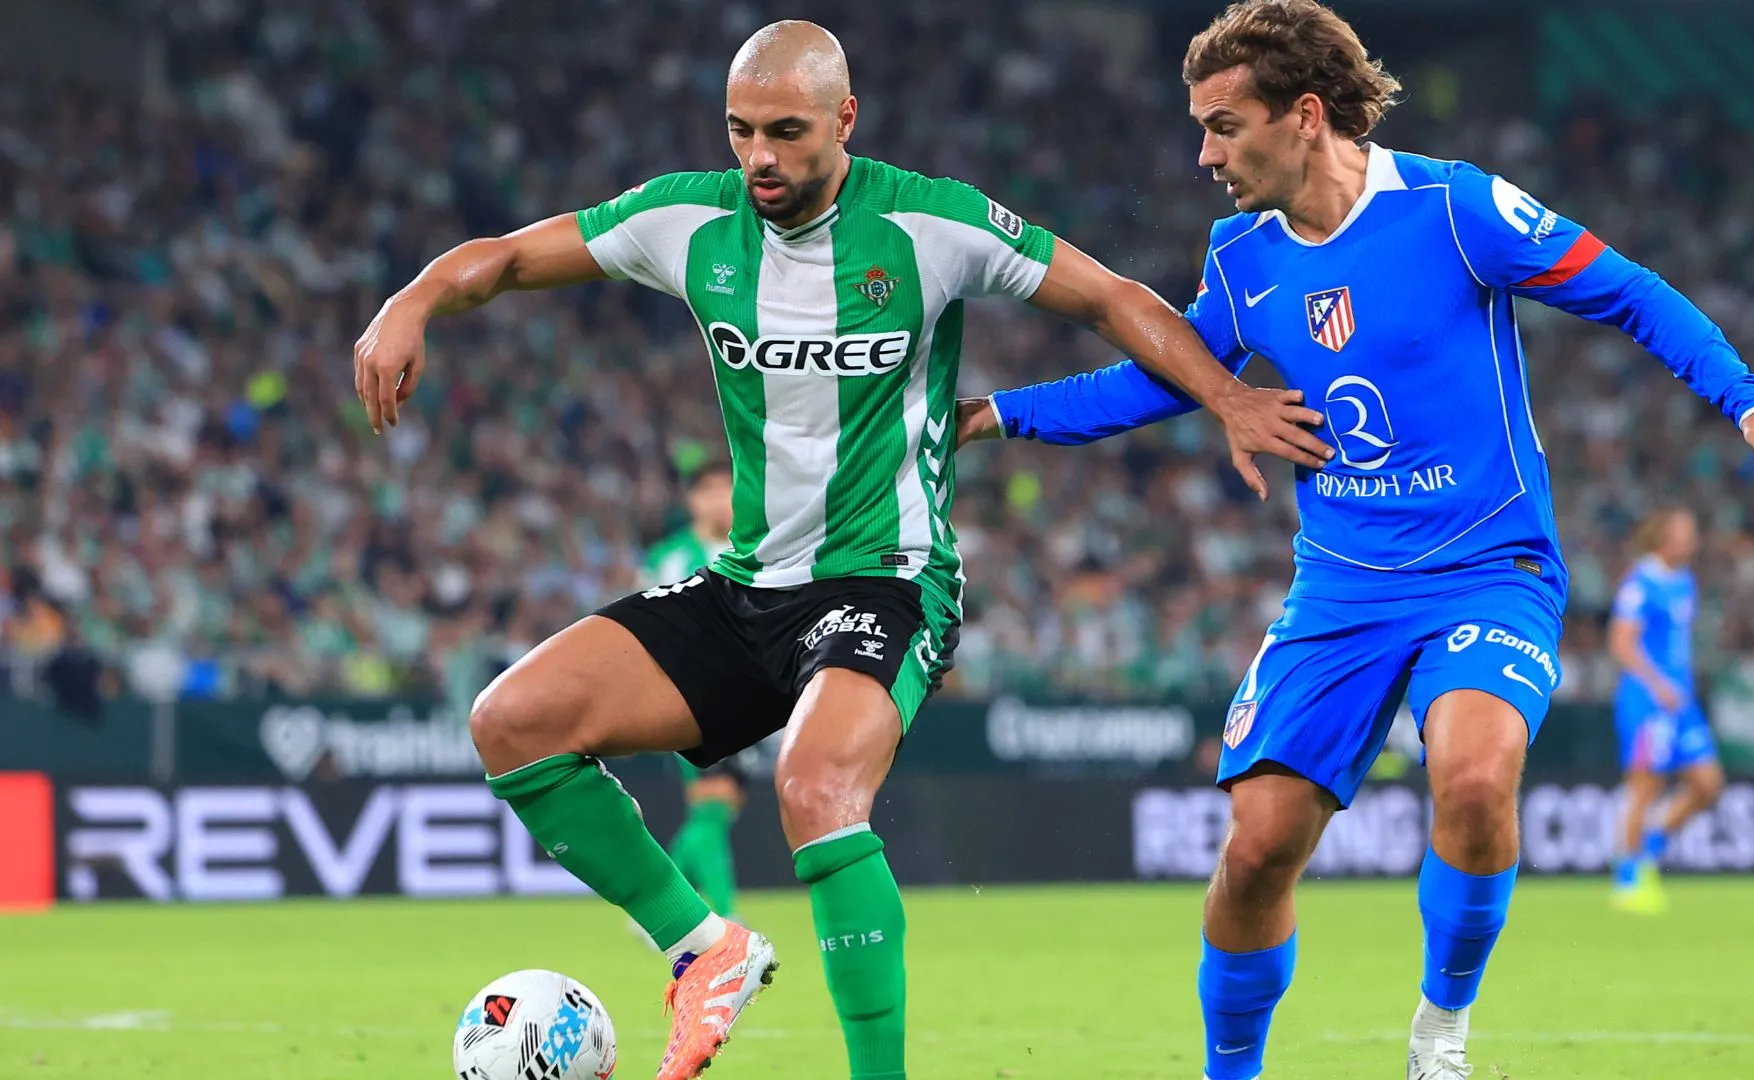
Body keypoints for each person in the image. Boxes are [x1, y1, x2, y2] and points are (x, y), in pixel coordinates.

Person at [352, 19, 1322, 1080]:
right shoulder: (686, 220)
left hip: (889, 579)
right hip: (746, 586)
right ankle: (702, 948)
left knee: (815, 787)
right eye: (740, 133)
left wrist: (1226, 397)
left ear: (845, 120)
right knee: (512, 723)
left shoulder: (928, 222)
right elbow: (504, 260)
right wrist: (413, 301)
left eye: (787, 132)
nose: (760, 157)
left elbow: (1111, 299)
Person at [960, 2, 1754, 1077]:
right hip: (1341, 588)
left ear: (1307, 116)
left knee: (1472, 782)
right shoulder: (1241, 259)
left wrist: (1744, 396)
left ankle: (1440, 1036)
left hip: (1486, 566)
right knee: (1253, 854)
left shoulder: (1455, 209)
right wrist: (1001, 415)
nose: (1205, 154)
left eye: (1226, 125)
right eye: (1202, 127)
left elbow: (1627, 292)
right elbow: (1159, 379)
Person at [1607, 506, 1723, 914]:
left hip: (1681, 702)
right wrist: (1657, 685)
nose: (1691, 540)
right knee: (1645, 786)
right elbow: (1622, 643)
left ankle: (1649, 846)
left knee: (1708, 783)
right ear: (1662, 536)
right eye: (1683, 532)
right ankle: (1627, 880)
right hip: (1647, 702)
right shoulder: (1641, 583)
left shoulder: (1685, 581)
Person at [648, 461, 747, 922]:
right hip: (690, 692)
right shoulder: (672, 556)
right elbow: (648, 625)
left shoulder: (754, 546)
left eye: (728, 488)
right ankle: (722, 917)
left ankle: (657, 905)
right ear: (693, 500)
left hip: (751, 694)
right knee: (712, 805)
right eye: (709, 491)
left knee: (715, 810)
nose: (719, 499)